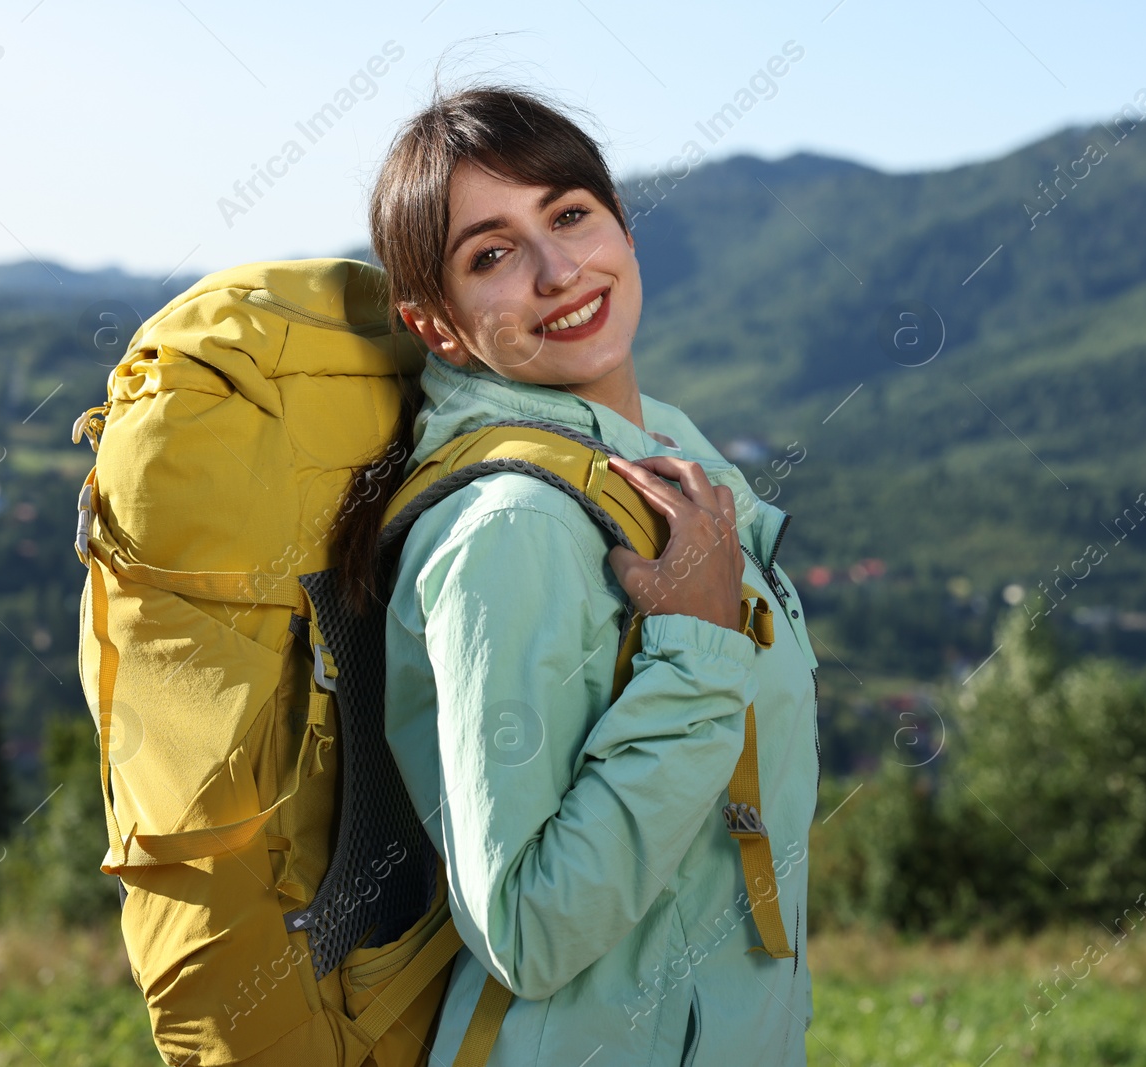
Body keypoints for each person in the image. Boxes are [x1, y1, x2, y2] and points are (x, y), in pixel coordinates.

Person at [333, 84, 821, 1066]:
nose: (558, 270)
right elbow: (529, 929)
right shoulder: (506, 530)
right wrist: (698, 651)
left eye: (567, 213)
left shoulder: (666, 460)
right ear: (434, 322)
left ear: (622, 228)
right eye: (492, 253)